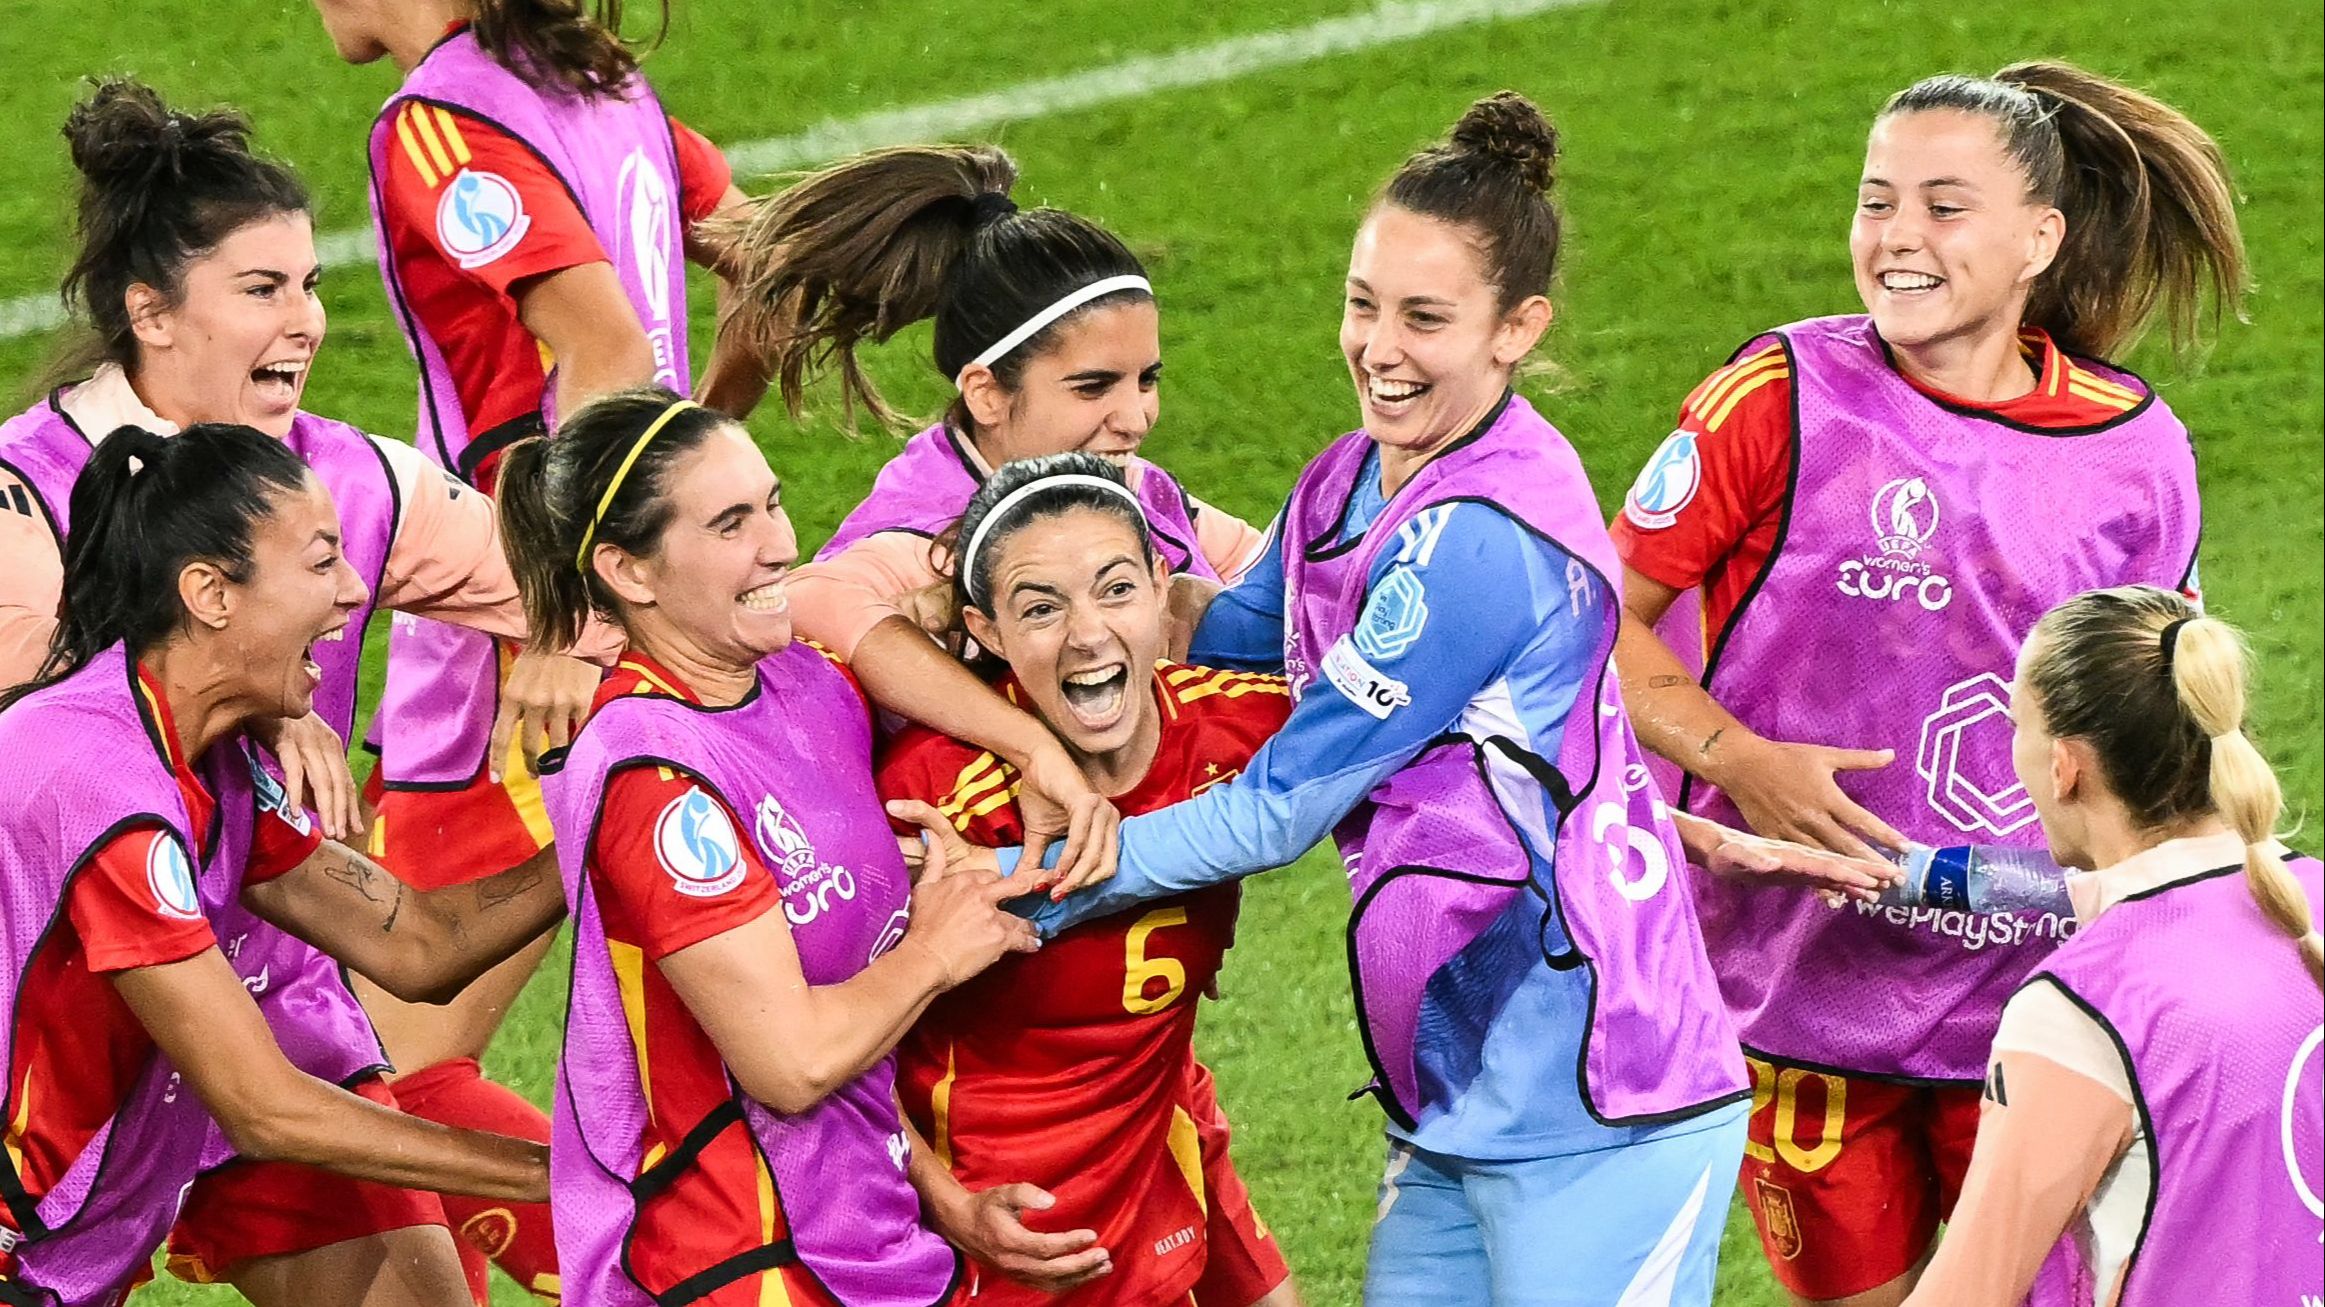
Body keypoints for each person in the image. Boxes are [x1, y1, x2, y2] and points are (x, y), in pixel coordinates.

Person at [958, 94, 1890, 1307]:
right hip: (1458, 1096)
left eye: (1424, 318)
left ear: (1517, 329)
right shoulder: (1348, 476)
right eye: (1364, 303)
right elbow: (1230, 635)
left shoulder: (1481, 539)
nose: (1378, 347)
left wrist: (1012, 881)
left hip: (1602, 1098)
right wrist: (1020, 599)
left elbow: (1275, 808)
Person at [1606, 61, 2248, 1307]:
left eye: (1944, 207)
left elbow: (2161, 725)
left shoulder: (2133, 449)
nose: (1898, 236)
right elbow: (1597, 621)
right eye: (1877, 201)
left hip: (2035, 992)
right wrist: (1741, 759)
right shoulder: (1778, 397)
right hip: (1797, 988)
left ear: (2038, 240)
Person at [0, 77, 602, 1303]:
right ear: (151, 311)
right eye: (264, 288)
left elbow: (421, 941)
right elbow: (60, 733)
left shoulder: (339, 483)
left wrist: (602, 783)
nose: (309, 321)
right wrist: (561, 1178)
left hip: (260, 993)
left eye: (313, 283)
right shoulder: (25, 511)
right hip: (84, 1032)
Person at [309, 0, 755, 1291]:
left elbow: (604, 346)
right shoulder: (605, 87)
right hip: (615, 616)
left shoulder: (442, 123)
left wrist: (570, 608)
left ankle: (711, 1269)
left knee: (372, 1076)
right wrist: (693, 459)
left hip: (518, 659)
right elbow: (767, 271)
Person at [500, 387, 1112, 1306]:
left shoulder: (807, 687)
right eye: (731, 523)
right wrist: (938, 947)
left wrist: (944, 1200)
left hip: (865, 1242)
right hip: (730, 1261)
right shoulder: (655, 777)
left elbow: (848, 1020)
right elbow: (791, 1064)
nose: (780, 542)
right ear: (628, 570)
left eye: (773, 502)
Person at [0, 422, 561, 1306]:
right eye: (322, 561)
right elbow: (264, 1106)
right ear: (210, 593)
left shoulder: (208, 760)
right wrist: (556, 1176)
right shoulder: (100, 782)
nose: (353, 592)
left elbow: (419, 943)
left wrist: (594, 826)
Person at [717, 142, 1274, 884]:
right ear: (986, 393)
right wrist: (1030, 746)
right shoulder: (930, 523)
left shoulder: (1127, 489)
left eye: (1146, 379)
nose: (1135, 416)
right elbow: (810, 597)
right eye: (1093, 387)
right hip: (940, 897)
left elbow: (1284, 578)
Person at [876, 454, 1296, 1307]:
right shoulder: (932, 799)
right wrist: (949, 1202)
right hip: (996, 1211)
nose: (1087, 633)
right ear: (986, 630)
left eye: (1116, 589)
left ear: (1161, 586)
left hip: (1160, 1137)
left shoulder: (1239, 724)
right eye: (1040, 607)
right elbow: (823, 1051)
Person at [1903, 586, 2322, 1305]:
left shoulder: (2080, 1009)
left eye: (2017, 727)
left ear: (2065, 765)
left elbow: (1966, 1293)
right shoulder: (2306, 899)